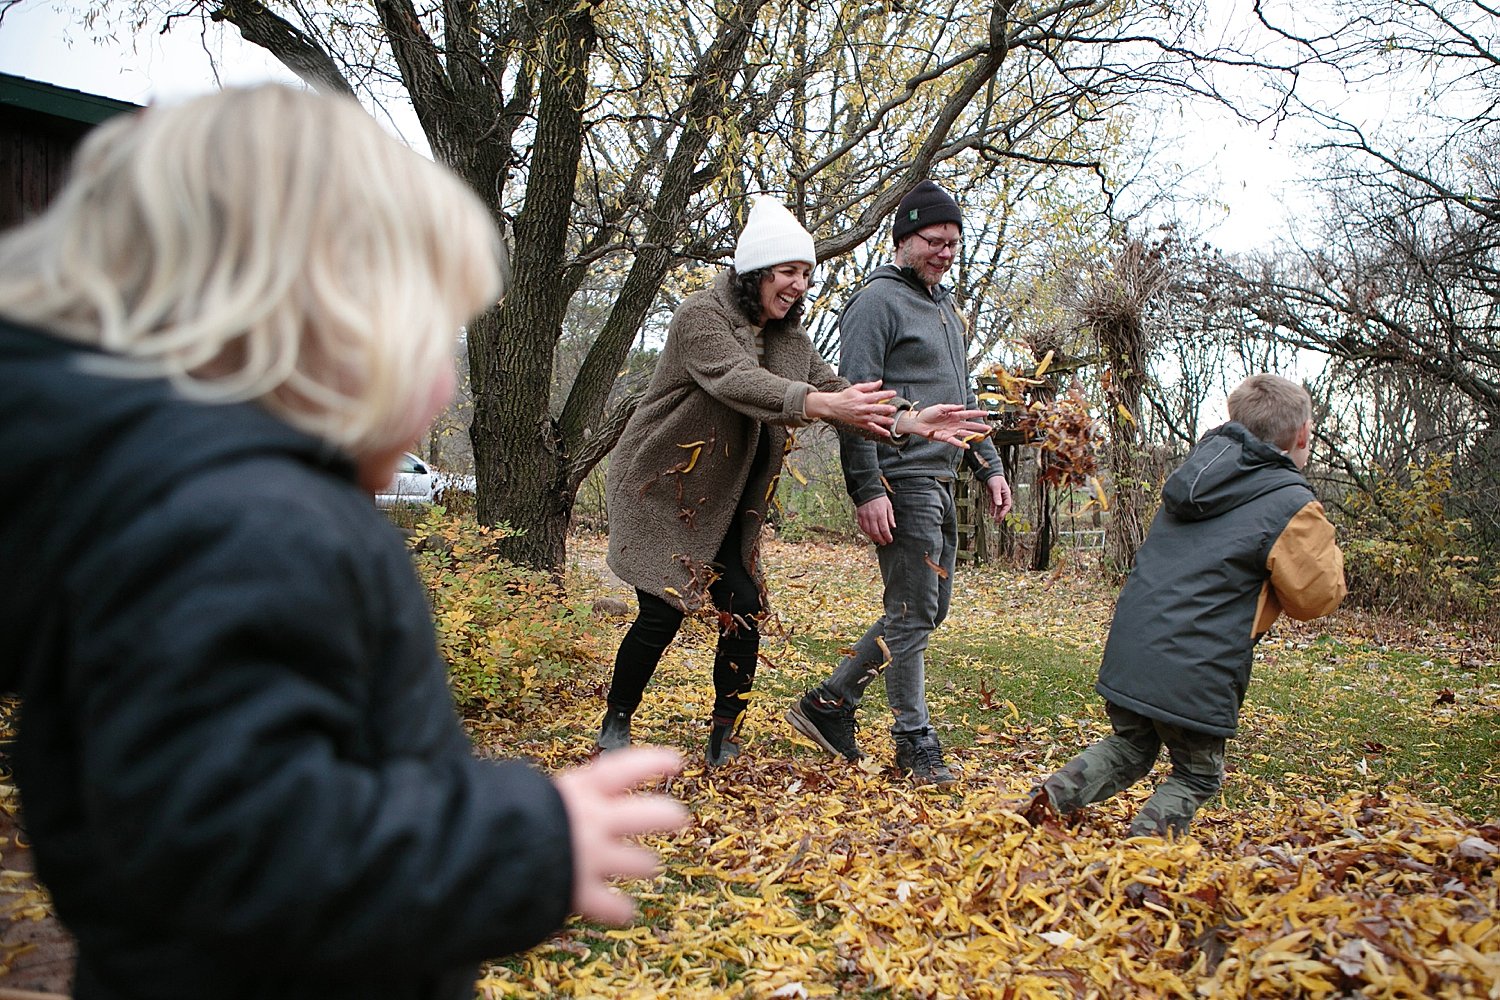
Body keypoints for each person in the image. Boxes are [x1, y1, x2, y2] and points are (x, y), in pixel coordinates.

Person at [0, 85, 689, 1000]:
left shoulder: (181, 513)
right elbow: (241, 848)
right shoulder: (241, 531)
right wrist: (520, 838)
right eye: (426, 341)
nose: (446, 391)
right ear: (315, 322)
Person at [598, 195, 990, 767]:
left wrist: (911, 419)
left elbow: (846, 391)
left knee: (744, 606)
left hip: (730, 497)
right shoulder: (700, 317)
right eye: (788, 272)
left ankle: (724, 734)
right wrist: (822, 406)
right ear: (755, 271)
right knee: (662, 610)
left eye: (806, 274)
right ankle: (618, 719)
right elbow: (737, 381)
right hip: (664, 490)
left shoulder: (790, 339)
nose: (798, 285)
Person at [1029, 374, 1347, 837]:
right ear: (1301, 435)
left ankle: (1039, 806)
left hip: (1134, 648)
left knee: (1131, 747)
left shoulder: (1194, 478)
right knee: (1198, 773)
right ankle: (1142, 854)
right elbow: (1317, 597)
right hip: (1199, 662)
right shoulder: (1291, 503)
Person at [786, 180, 1013, 786]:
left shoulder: (945, 311)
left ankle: (830, 702)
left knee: (926, 611)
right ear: (904, 238)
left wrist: (988, 466)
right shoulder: (875, 304)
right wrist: (867, 488)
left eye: (953, 243)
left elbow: (963, 402)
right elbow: (852, 401)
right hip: (900, 476)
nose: (945, 252)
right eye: (935, 241)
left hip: (939, 479)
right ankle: (913, 740)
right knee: (911, 611)